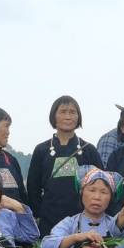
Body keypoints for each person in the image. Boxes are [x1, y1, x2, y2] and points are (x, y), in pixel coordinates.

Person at [27, 95, 101, 234]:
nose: (68, 116)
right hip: (49, 220)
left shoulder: (89, 150)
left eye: (72, 112)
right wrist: (38, 214)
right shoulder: (41, 150)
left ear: (78, 117)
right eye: (63, 111)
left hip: (83, 220)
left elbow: (102, 184)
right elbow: (33, 188)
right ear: (54, 116)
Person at [41, 167, 124, 248]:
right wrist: (76, 237)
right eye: (92, 190)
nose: (97, 197)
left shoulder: (116, 225)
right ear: (81, 193)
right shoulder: (70, 223)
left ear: (111, 197)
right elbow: (46, 246)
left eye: (103, 192)